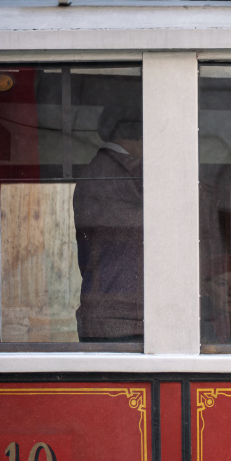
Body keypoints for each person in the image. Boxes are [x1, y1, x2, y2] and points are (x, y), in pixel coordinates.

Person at [73, 104, 144, 341]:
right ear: (142, 132)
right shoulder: (129, 171)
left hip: (102, 313)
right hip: (126, 320)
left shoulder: (95, 170)